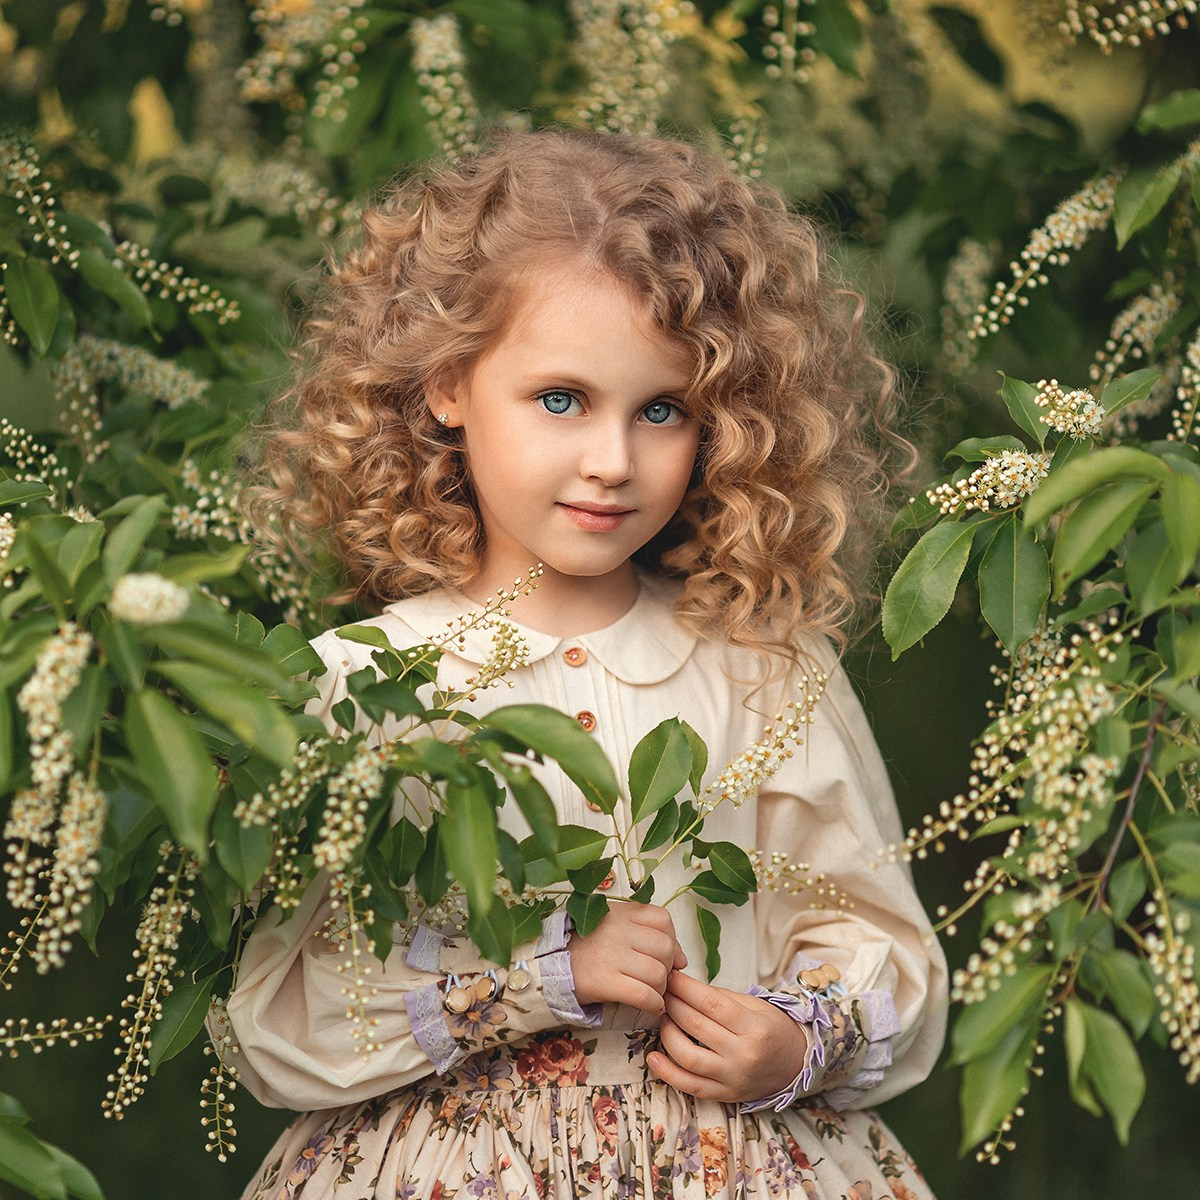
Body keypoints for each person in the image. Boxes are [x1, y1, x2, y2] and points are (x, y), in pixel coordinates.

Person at [227, 129, 948, 1200]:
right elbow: (280, 1019)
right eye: (560, 399)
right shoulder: (365, 683)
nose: (612, 461)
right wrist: (536, 978)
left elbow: (880, 945)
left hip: (724, 1165)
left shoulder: (760, 668)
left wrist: (793, 1044)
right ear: (448, 385)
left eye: (661, 411)